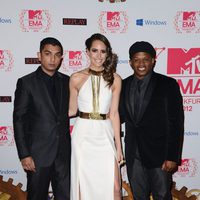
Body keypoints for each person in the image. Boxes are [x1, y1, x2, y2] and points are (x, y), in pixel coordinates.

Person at [120, 41, 184, 200]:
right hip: (133, 153)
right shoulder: (123, 84)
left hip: (160, 155)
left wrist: (172, 156)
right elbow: (119, 115)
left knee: (162, 195)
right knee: (138, 196)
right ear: (130, 62)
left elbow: (176, 122)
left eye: (146, 59)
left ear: (153, 60)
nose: (141, 64)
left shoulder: (168, 84)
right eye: (136, 59)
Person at [13, 37, 71, 200]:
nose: (52, 59)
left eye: (57, 55)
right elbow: (19, 120)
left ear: (61, 58)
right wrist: (24, 154)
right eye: (48, 54)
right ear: (39, 56)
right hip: (37, 155)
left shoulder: (67, 81)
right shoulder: (26, 83)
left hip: (63, 154)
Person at [69, 33, 124, 200]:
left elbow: (114, 114)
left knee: (115, 187)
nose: (99, 55)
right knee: (82, 184)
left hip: (105, 132)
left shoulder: (115, 79)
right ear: (87, 52)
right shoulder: (76, 78)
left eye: (103, 51)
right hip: (83, 133)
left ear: (108, 53)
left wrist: (119, 147)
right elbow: (71, 110)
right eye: (95, 50)